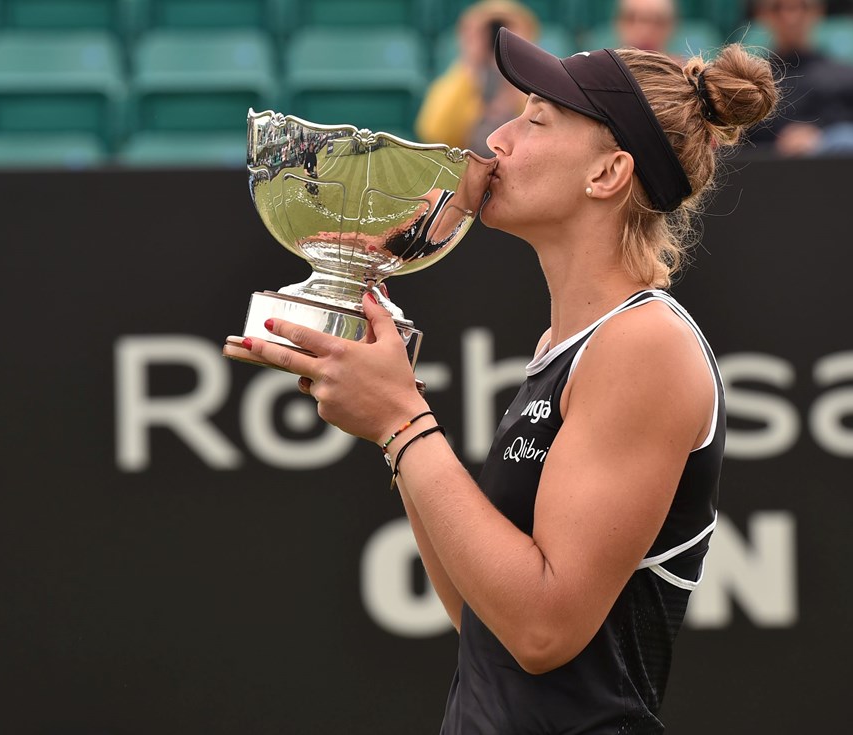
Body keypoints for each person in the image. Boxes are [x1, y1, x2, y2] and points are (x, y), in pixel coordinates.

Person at [228, 27, 777, 733]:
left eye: (535, 120)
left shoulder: (645, 344)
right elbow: (481, 612)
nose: (498, 140)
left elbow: (544, 629)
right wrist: (392, 412)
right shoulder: (565, 343)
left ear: (607, 174)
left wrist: (402, 422)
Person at [745, 0, 853, 156]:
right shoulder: (750, 85)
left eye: (802, 7)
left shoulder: (852, 77)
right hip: (769, 174)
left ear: (818, 12)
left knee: (849, 138)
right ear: (762, 14)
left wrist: (820, 138)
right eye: (777, 8)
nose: (791, 17)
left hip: (839, 172)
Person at [414, 0, 540, 154]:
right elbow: (432, 132)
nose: (495, 38)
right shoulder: (457, 81)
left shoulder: (538, 85)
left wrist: (517, 66)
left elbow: (543, 134)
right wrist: (471, 63)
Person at [613, 0, 680, 57]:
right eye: (631, 19)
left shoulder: (680, 71)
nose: (645, 31)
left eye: (658, 21)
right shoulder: (605, 69)